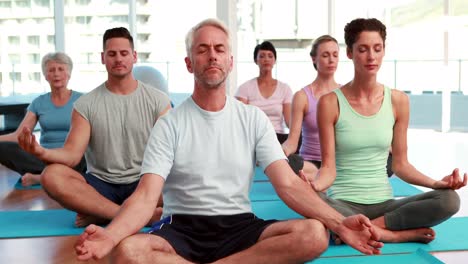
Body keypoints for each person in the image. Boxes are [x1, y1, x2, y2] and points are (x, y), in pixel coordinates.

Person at [74, 18, 383, 263]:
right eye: (203, 49)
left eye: (219, 49)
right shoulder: (169, 124)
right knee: (128, 252)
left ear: (230, 62)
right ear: (189, 63)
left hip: (239, 226)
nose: (212, 55)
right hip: (182, 228)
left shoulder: (252, 119)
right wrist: (111, 236)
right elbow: (144, 198)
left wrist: (337, 223)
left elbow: (288, 184)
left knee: (315, 233)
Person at [313, 18, 467, 244]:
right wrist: (313, 187)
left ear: (384, 50)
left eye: (377, 49)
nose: (371, 57)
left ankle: (365, 229)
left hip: (386, 206)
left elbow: (400, 165)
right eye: (363, 49)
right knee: (309, 200)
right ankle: (392, 235)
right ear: (349, 53)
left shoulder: (398, 101)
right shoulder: (329, 103)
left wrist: (436, 183)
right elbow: (328, 168)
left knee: (449, 200)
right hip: (344, 204)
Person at [18, 27, 171, 227]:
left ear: (134, 57)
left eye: (124, 53)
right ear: (103, 58)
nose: (118, 59)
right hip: (100, 186)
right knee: (51, 176)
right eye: (112, 54)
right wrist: (40, 151)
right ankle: (129, 214)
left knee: (183, 176)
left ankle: (100, 212)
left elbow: (170, 152)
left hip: (144, 183)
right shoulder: (86, 104)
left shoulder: (158, 101)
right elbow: (72, 156)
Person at [0, 52, 85, 186]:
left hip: (73, 158)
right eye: (51, 70)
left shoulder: (83, 100)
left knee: (87, 158)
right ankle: (54, 174)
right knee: (2, 148)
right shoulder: (38, 103)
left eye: (61, 69)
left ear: (69, 74)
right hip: (45, 157)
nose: (56, 74)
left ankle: (41, 177)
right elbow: (19, 135)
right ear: (46, 76)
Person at [282, 35, 340, 180]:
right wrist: (279, 153)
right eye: (325, 55)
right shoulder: (302, 96)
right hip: (309, 164)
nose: (331, 60)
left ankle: (324, 178)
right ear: (314, 58)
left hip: (338, 163)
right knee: (288, 164)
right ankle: (321, 177)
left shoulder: (347, 94)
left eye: (335, 55)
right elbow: (292, 142)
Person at [235, 41, 293, 144]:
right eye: (262, 56)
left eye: (270, 56)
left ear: (275, 60)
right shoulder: (244, 88)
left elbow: (290, 122)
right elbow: (240, 120)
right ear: (255, 60)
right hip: (253, 137)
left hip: (278, 138)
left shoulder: (285, 88)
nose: (266, 59)